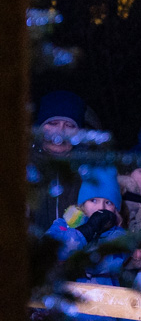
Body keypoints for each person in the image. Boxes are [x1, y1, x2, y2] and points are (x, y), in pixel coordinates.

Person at [45, 166, 127, 321]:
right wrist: (86, 230)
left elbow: (103, 261)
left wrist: (68, 264)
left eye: (108, 203)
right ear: (82, 205)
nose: (101, 208)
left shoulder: (118, 235)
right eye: (94, 200)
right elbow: (50, 252)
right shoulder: (61, 226)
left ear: (116, 209)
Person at [29, 90, 90, 231]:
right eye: (53, 123)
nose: (60, 131)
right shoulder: (21, 165)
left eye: (69, 126)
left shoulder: (90, 170)